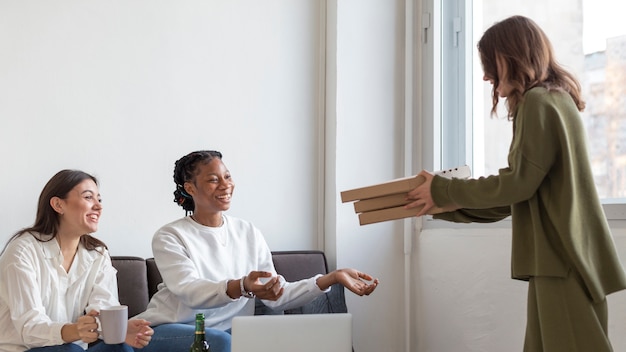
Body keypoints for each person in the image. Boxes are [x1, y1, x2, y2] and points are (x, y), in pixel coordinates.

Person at [406, 15, 626, 352]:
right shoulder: (555, 99)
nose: (485, 75)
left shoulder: (538, 103)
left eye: (489, 63)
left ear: (510, 57)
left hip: (561, 260)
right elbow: (520, 194)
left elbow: (517, 184)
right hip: (561, 258)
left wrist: (444, 189)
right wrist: (447, 205)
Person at [133, 150, 379, 352]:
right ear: (191, 188)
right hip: (166, 330)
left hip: (230, 334)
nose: (225, 185)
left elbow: (277, 296)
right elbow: (190, 291)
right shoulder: (170, 236)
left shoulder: (248, 232)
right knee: (219, 341)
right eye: (213, 179)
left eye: (227, 177)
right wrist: (242, 285)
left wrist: (332, 278)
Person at [0, 170, 154, 352]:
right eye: (88, 197)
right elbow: (29, 328)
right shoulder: (23, 251)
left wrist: (118, 330)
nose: (98, 206)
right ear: (58, 204)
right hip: (23, 348)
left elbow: (104, 309)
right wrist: (74, 331)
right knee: (70, 349)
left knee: (119, 349)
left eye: (99, 199)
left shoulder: (97, 254)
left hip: (74, 349)